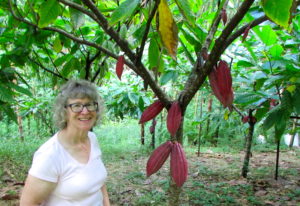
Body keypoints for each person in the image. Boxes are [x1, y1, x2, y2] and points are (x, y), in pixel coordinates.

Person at [20, 79, 110, 206]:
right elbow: (28, 203)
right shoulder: (50, 155)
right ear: (64, 111)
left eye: (89, 104)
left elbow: (100, 185)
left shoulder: (92, 138)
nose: (85, 111)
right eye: (77, 105)